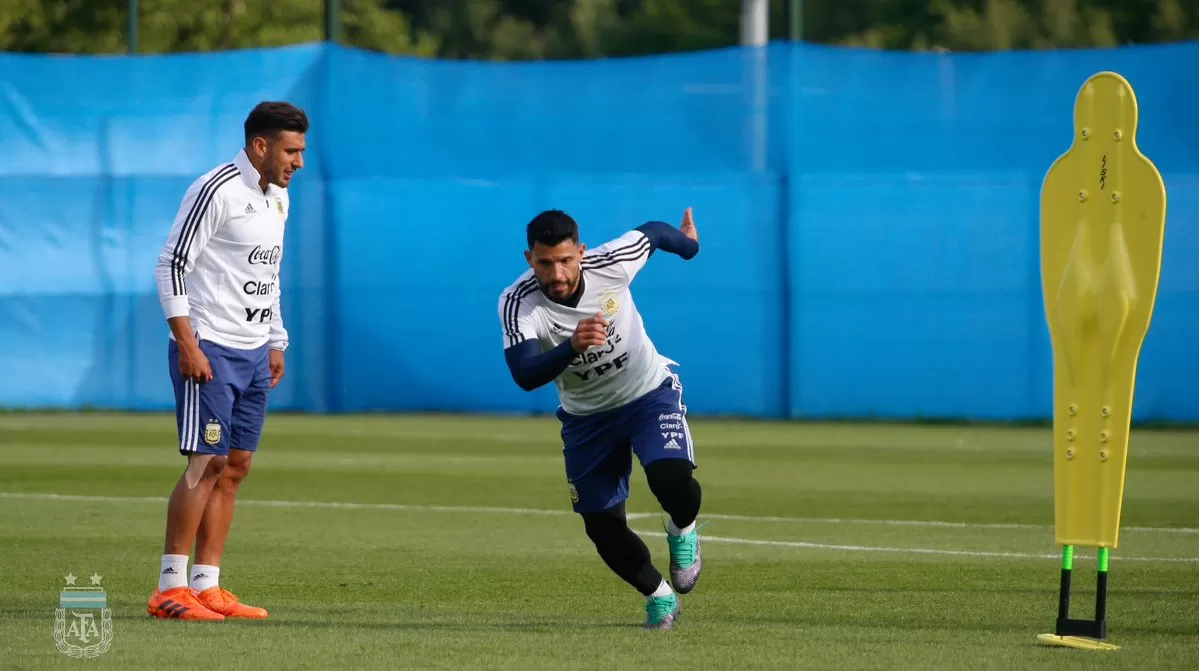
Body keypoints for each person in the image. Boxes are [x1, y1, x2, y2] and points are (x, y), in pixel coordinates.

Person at [497, 208, 705, 630]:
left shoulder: (612, 262)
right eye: (544, 262)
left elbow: (656, 233)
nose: (556, 273)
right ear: (528, 258)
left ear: (581, 253)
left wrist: (689, 246)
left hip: (647, 394)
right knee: (602, 526)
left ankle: (682, 530)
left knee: (671, 478)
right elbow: (523, 374)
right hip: (587, 419)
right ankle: (658, 596)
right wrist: (572, 346)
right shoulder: (517, 302)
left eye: (565, 260)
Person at [146, 101, 307, 621]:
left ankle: (208, 585)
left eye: (301, 150)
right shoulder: (215, 189)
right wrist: (188, 343)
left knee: (235, 467)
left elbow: (269, 272)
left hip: (254, 350)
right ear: (260, 146)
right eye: (291, 150)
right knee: (205, 462)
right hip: (210, 347)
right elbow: (171, 263)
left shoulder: (278, 197)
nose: (298, 161)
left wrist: (276, 339)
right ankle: (169, 588)